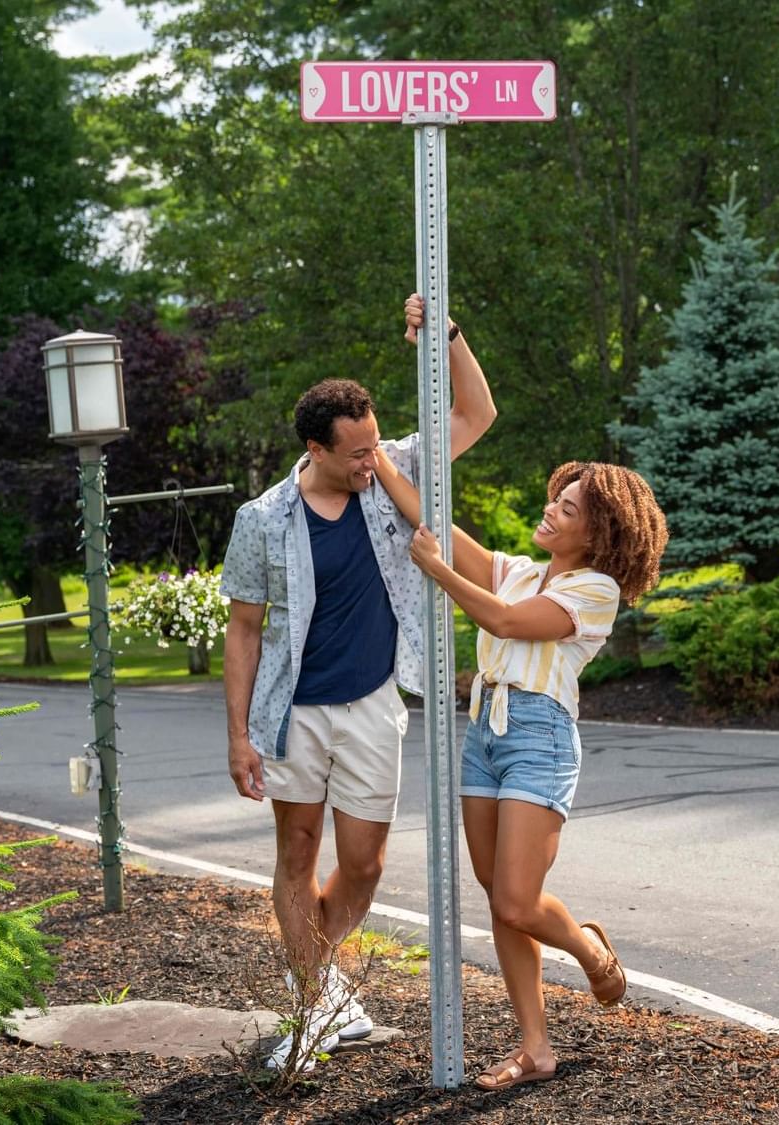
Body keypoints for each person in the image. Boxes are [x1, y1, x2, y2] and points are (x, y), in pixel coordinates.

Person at [219, 294, 496, 1070]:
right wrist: (238, 733)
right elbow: (243, 628)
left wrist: (444, 332)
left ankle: (317, 973)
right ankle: (313, 1010)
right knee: (297, 852)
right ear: (316, 446)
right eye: (356, 453)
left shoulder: (395, 471)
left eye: (376, 446)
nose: (371, 461)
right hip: (294, 714)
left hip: (375, 702)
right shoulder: (263, 518)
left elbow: (477, 412)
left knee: (366, 863)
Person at [370, 442, 667, 1091]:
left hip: (540, 736)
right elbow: (440, 531)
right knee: (500, 901)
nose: (550, 513)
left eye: (568, 509)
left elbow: (504, 620)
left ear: (599, 530)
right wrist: (382, 465)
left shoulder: (595, 590)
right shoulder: (521, 570)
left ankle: (590, 949)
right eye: (554, 501)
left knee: (515, 895)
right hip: (485, 732)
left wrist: (438, 572)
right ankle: (535, 1048)